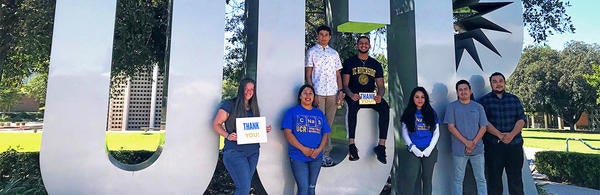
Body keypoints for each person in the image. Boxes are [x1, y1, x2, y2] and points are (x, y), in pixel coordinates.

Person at [212, 78, 271, 195]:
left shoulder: (254, 107)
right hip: (235, 152)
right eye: (247, 89)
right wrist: (227, 135)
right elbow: (216, 124)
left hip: (253, 153)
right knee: (243, 189)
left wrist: (262, 130)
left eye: (252, 89)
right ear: (241, 90)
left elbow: (252, 130)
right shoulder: (230, 104)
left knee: (244, 187)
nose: (249, 92)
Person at [342, 35, 390, 164]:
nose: (363, 45)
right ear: (357, 45)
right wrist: (351, 94)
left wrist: (379, 95)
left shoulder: (375, 64)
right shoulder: (349, 62)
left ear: (369, 46)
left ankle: (381, 146)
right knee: (352, 107)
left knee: (385, 107)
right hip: (355, 95)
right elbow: (345, 85)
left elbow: (380, 85)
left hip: (369, 96)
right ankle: (352, 145)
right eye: (361, 43)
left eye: (366, 43)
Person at [477, 72, 527, 195]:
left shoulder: (514, 99)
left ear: (504, 83)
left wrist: (511, 135)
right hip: (494, 147)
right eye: (495, 81)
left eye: (500, 81)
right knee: (494, 182)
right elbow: (484, 122)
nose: (498, 84)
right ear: (491, 84)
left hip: (514, 146)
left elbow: (521, 119)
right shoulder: (484, 101)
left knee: (516, 181)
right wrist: (499, 135)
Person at [305, 25, 344, 167]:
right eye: (321, 34)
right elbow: (308, 74)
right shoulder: (311, 52)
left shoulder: (334, 54)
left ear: (330, 37)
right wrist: (312, 93)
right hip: (318, 93)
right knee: (318, 125)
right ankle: (317, 153)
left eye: (326, 34)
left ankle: (326, 154)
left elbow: (338, 75)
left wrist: (340, 91)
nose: (323, 37)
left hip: (332, 93)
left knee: (328, 124)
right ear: (317, 36)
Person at [281, 84, 331, 195]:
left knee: (312, 188)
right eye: (305, 93)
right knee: (303, 189)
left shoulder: (319, 113)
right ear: (300, 96)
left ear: (314, 97)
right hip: (298, 156)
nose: (308, 96)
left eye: (310, 93)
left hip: (316, 156)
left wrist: (319, 150)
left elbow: (325, 134)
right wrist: (303, 149)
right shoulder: (292, 112)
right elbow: (287, 133)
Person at [444, 80, 487, 195]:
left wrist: (473, 143)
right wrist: (466, 143)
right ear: (457, 92)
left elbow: (483, 127)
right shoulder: (451, 107)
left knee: (481, 179)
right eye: (460, 90)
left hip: (477, 149)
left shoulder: (478, 107)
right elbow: (451, 127)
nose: (463, 92)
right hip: (459, 150)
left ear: (470, 91)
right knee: (458, 180)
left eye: (465, 89)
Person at [400, 87, 440, 195]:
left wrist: (430, 148)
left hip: (429, 151)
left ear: (426, 98)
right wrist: (412, 147)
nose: (420, 99)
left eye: (422, 97)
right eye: (417, 97)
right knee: (410, 178)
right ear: (413, 98)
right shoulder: (408, 112)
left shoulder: (431, 112)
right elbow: (404, 132)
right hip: (413, 150)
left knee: (427, 179)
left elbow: (436, 132)